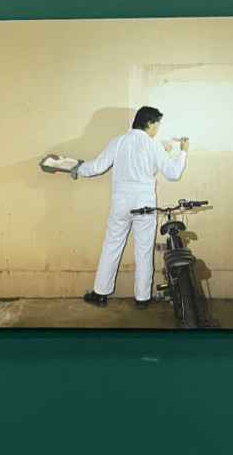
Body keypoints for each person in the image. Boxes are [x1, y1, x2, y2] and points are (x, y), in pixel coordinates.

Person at [71, 106, 189, 308]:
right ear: (149, 123)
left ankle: (100, 293)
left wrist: (77, 167)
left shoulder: (118, 141)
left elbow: (97, 167)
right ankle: (142, 298)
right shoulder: (153, 146)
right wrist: (183, 152)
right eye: (156, 125)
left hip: (121, 202)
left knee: (111, 246)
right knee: (144, 250)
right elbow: (173, 173)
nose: (157, 129)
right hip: (145, 203)